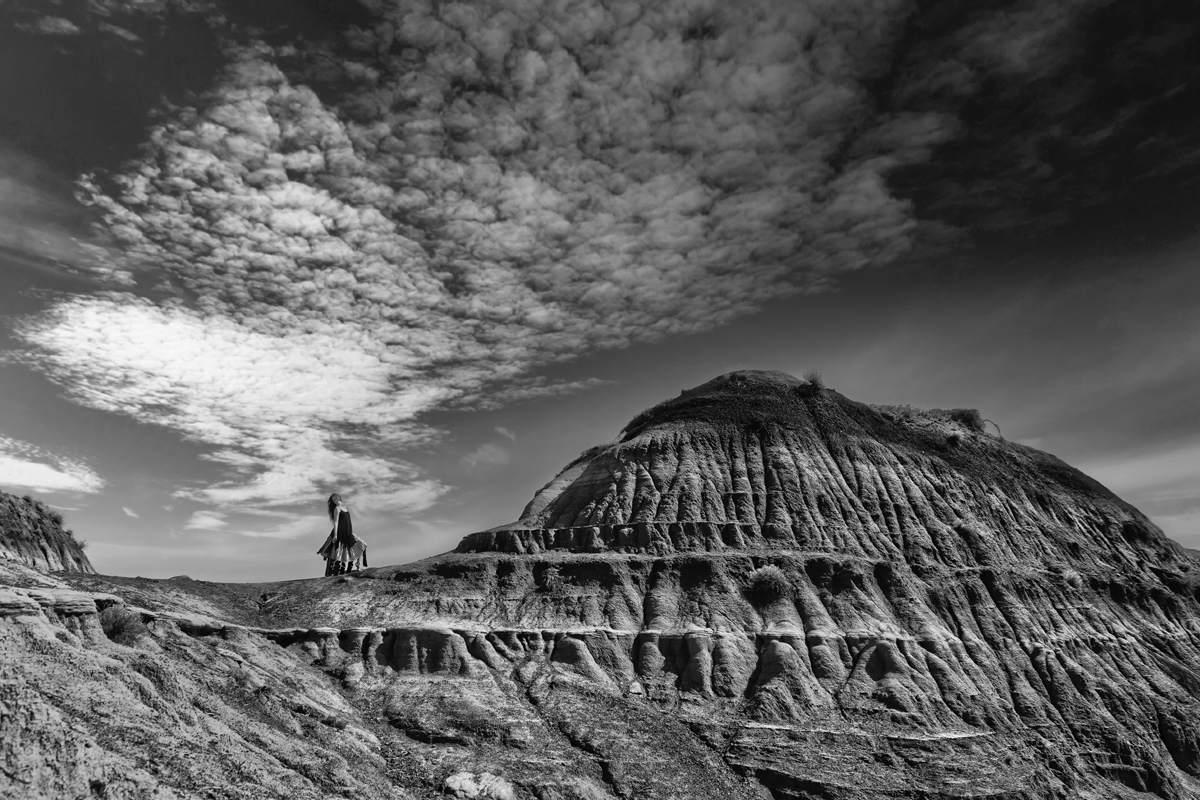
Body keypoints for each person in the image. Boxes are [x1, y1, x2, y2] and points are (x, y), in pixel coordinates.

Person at [317, 493, 368, 576]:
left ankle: (358, 565)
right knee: (339, 553)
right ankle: (337, 570)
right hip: (340, 532)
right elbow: (336, 522)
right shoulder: (337, 509)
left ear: (339, 497)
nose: (336, 500)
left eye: (336, 498)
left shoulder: (344, 507)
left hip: (348, 532)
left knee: (362, 545)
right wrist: (335, 534)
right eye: (333, 500)